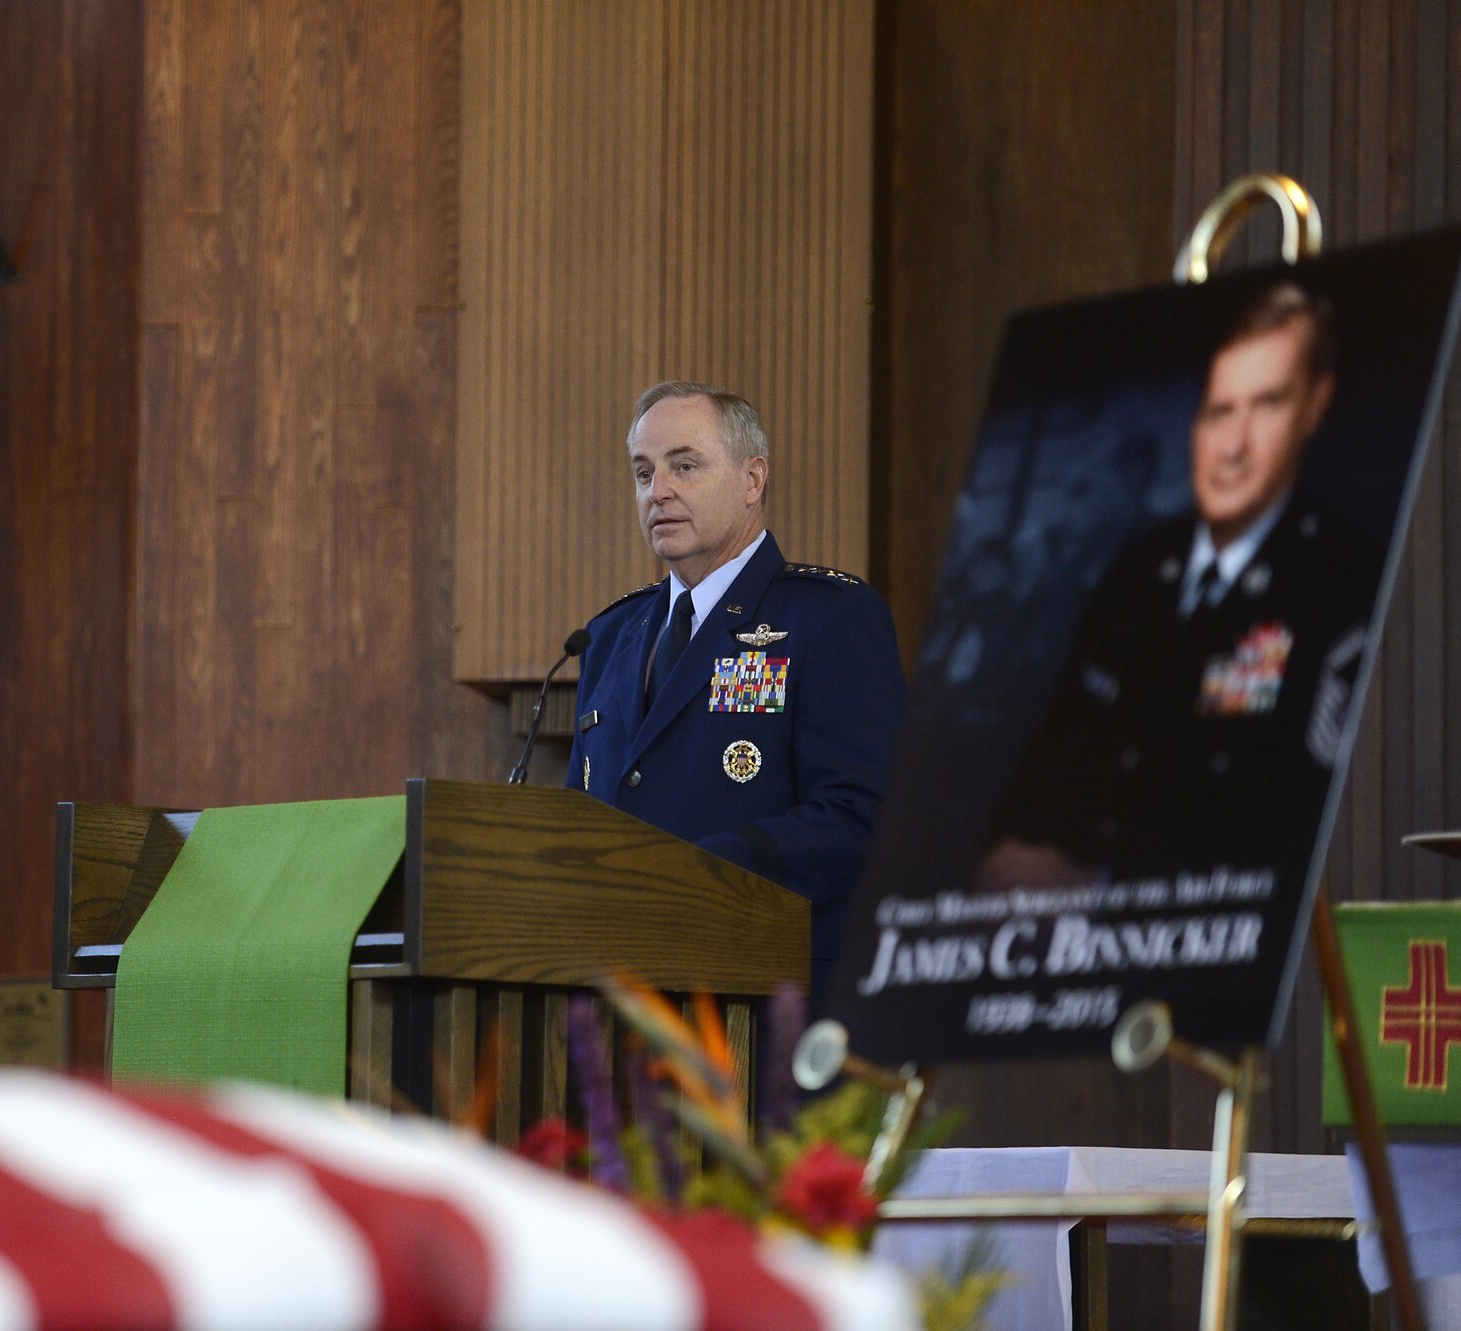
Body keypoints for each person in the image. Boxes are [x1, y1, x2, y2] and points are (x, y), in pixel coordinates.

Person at [978, 282, 1379, 891]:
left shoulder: (1339, 577)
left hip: (1215, 948)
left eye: (1267, 404)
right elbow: (1050, 763)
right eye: (1220, 411)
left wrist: (1098, 891)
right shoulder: (1139, 566)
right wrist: (1004, 861)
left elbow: (1291, 825)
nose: (1234, 446)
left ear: (1314, 407)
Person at [566, 381, 907, 1002]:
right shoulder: (608, 636)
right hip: (625, 1001)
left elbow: (862, 819)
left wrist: (694, 870)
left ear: (753, 480)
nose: (657, 492)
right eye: (643, 473)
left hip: (763, 994)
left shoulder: (829, 617)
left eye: (684, 466)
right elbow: (578, 819)